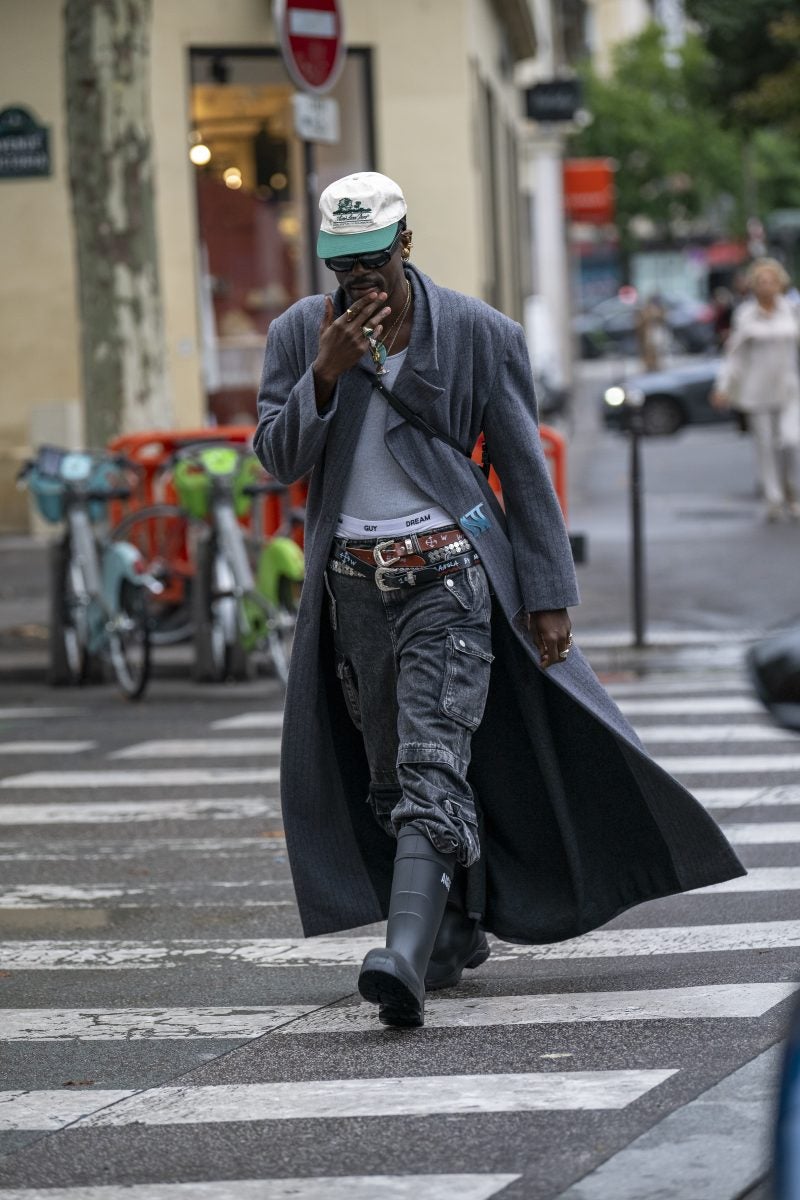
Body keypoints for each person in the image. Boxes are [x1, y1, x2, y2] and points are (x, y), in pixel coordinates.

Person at [254, 171, 744, 1029]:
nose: (359, 283)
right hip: (352, 587)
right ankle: (450, 926)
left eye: (373, 262)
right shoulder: (302, 332)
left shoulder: (480, 333)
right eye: (343, 268)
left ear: (407, 243)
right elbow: (277, 457)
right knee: (384, 771)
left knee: (431, 759)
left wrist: (548, 593)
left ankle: (402, 956)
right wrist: (325, 377)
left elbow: (521, 465)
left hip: (451, 577)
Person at [712, 258, 800, 522]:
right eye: (761, 281)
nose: (767, 285)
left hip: (788, 388)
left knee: (791, 440)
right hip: (757, 389)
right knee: (765, 447)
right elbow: (734, 356)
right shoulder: (745, 314)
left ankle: (793, 492)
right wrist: (723, 386)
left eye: (771, 280)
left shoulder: (791, 310)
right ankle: (773, 499)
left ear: (780, 283)